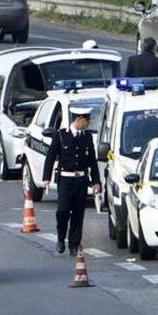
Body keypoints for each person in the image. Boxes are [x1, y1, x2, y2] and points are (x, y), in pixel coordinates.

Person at [42, 105, 101, 255]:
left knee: (78, 212)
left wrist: (96, 181)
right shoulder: (61, 135)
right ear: (78, 119)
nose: (88, 122)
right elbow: (51, 156)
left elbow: (92, 161)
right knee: (62, 211)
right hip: (65, 179)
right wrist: (46, 177)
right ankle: (61, 238)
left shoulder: (87, 137)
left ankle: (74, 244)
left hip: (81, 179)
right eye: (87, 120)